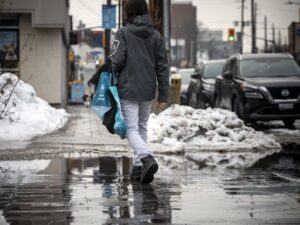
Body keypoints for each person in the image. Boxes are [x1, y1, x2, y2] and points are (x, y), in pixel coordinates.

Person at [109, 0, 169, 184]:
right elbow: (163, 66)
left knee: (132, 129)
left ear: (130, 13)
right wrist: (163, 94)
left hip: (128, 88)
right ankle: (137, 168)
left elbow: (117, 61)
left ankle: (146, 158)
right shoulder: (156, 36)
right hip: (148, 90)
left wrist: (112, 70)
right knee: (142, 127)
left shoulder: (124, 33)